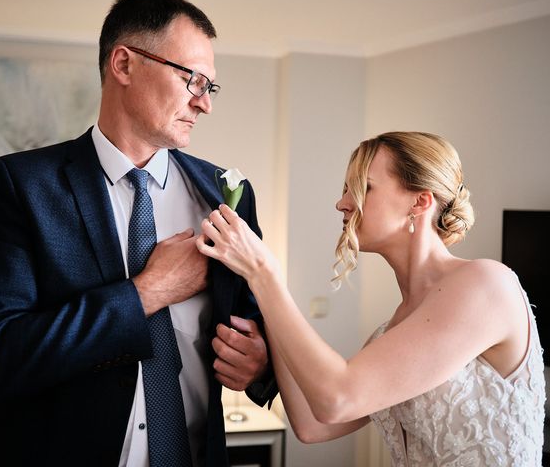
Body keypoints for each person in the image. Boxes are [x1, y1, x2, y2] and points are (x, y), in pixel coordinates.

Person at [0, 0, 277, 467]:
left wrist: (259, 366)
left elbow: (257, 325)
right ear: (123, 65)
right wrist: (147, 292)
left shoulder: (228, 193)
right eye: (193, 79)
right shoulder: (22, 186)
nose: (204, 104)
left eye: (210, 87)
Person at [198, 131, 546, 465]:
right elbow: (312, 425)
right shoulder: (390, 332)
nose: (342, 203)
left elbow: (338, 397)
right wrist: (261, 284)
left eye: (362, 188)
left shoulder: (486, 285)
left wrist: (264, 273)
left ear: (419, 202)